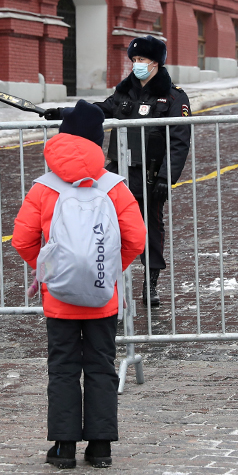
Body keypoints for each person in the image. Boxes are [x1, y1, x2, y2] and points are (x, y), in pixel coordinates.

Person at [13, 100, 146, 469]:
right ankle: (101, 447)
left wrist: (52, 272)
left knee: (64, 366)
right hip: (103, 296)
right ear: (97, 142)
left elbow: (22, 240)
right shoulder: (113, 186)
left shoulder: (44, 188)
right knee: (101, 365)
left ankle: (64, 447)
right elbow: (136, 238)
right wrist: (107, 269)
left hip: (59, 297)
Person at [43, 35, 191, 307]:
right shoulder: (124, 92)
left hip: (150, 174)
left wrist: (166, 177)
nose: (137, 65)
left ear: (156, 62)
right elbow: (97, 111)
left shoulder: (173, 97)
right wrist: (63, 112)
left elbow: (180, 142)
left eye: (142, 60)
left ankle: (151, 283)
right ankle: (106, 279)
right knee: (107, 227)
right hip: (118, 173)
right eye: (134, 60)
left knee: (150, 230)